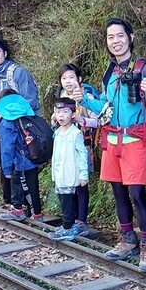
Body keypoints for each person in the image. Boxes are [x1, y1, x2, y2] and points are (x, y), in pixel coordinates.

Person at [73, 18, 146, 272]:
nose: (115, 41)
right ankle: (127, 239)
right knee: (118, 193)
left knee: (137, 194)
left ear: (131, 37)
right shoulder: (109, 72)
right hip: (112, 139)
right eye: (110, 37)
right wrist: (86, 100)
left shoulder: (145, 69)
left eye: (120, 36)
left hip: (135, 138)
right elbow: (106, 107)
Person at [0, 37, 39, 210]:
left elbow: (31, 101)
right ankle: (12, 204)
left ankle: (31, 207)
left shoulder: (18, 73)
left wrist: (7, 101)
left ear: (5, 53)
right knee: (6, 166)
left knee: (25, 167)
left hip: (21, 129)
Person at [55, 63, 99, 238]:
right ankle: (70, 220)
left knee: (81, 183)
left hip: (84, 144)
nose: (68, 82)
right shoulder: (62, 96)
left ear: (79, 79)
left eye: (71, 78)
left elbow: (99, 120)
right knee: (68, 182)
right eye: (64, 78)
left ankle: (81, 221)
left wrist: (83, 121)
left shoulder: (86, 96)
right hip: (66, 146)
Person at [0, 91, 45, 222]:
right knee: (33, 185)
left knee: (16, 183)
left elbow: (7, 147)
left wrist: (6, 169)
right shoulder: (26, 114)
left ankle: (18, 210)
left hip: (19, 161)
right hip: (33, 155)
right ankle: (37, 213)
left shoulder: (7, 121)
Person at [48, 97, 89, 241]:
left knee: (67, 200)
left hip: (70, 173)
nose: (61, 116)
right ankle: (68, 224)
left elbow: (83, 154)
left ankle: (68, 227)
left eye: (65, 112)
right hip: (60, 173)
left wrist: (83, 174)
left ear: (72, 114)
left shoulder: (75, 133)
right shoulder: (58, 131)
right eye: (58, 112)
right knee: (63, 199)